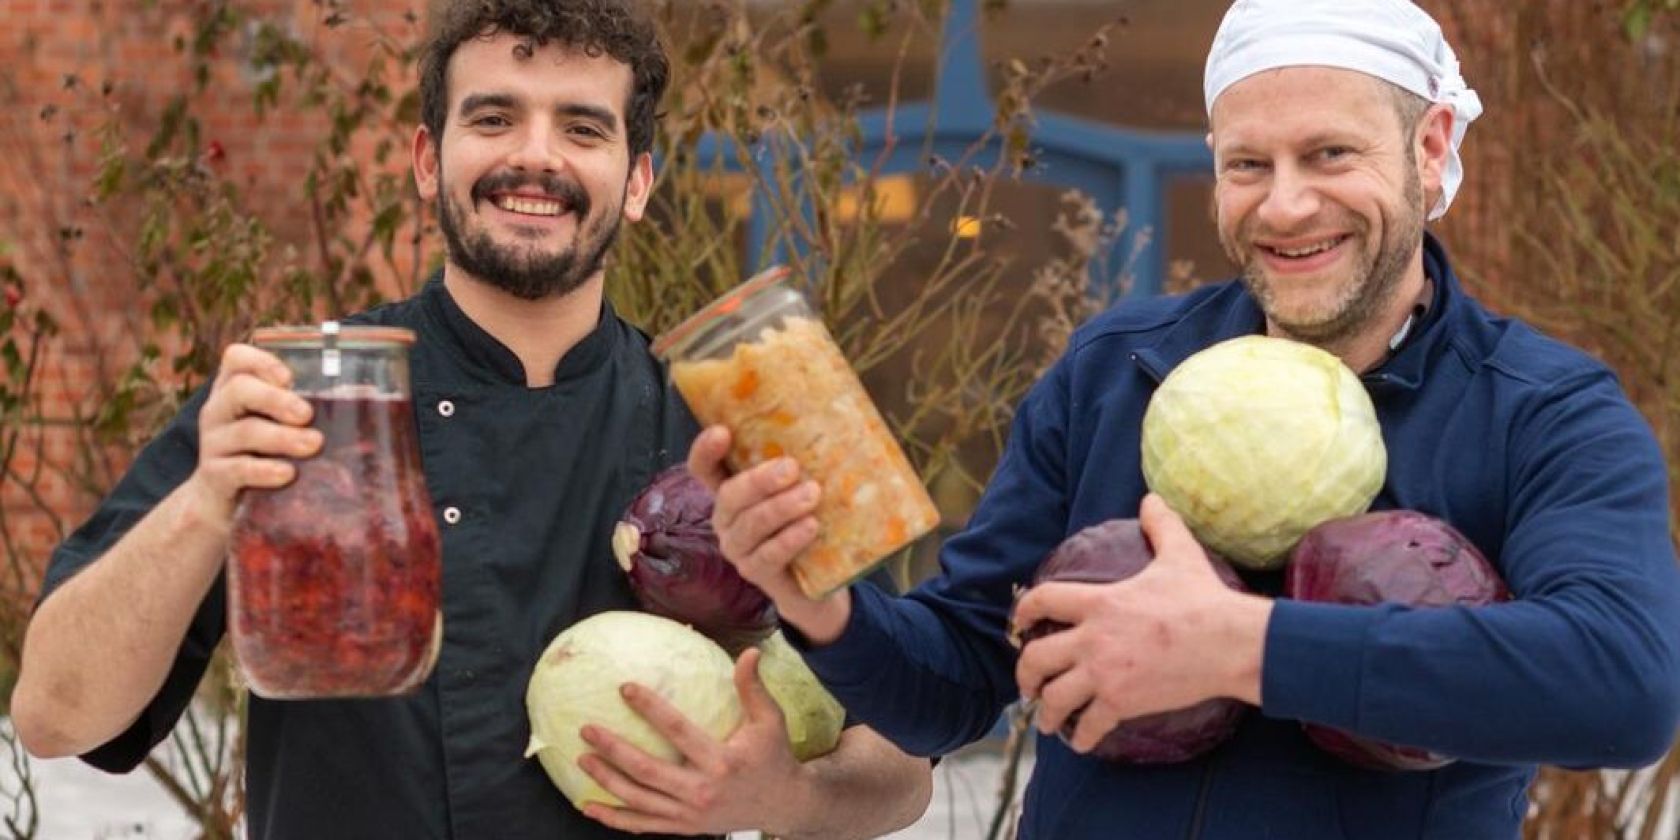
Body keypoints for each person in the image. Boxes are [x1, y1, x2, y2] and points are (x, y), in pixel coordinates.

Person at [690, 1, 1680, 837]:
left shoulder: (1543, 409)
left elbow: (1624, 686)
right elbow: (952, 682)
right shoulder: (1118, 369)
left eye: (1330, 154)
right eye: (1247, 166)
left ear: (1431, 149)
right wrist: (824, 606)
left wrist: (1242, 646)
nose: (1286, 206)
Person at [9, 1, 931, 838]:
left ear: (639, 182)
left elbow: (905, 755)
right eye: (493, 118)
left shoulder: (735, 420)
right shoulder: (308, 402)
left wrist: (787, 801)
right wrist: (209, 501)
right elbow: (56, 715)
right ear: (427, 160)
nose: (536, 156)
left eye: (582, 127)